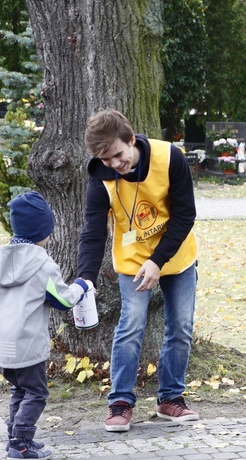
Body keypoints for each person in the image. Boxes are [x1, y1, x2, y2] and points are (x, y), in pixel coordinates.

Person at [78, 109, 199, 432]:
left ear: (131, 140)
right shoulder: (101, 178)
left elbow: (186, 215)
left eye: (118, 154)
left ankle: (170, 398)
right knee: (131, 326)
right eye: (106, 160)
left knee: (181, 328)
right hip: (133, 261)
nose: (115, 164)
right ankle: (120, 402)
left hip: (176, 256)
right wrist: (86, 278)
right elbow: (93, 232)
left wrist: (157, 261)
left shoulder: (170, 157)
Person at [0, 191, 91, 460]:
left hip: (1, 343)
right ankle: (21, 444)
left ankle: (16, 438)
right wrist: (82, 286)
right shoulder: (42, 263)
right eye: (49, 231)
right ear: (43, 231)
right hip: (27, 343)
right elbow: (63, 300)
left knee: (19, 389)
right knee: (37, 393)